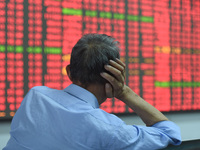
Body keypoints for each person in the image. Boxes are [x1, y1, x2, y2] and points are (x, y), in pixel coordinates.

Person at [4, 34, 181, 150]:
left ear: (69, 72)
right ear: (113, 78)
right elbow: (169, 133)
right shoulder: (106, 128)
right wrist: (124, 92)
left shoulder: (35, 97)